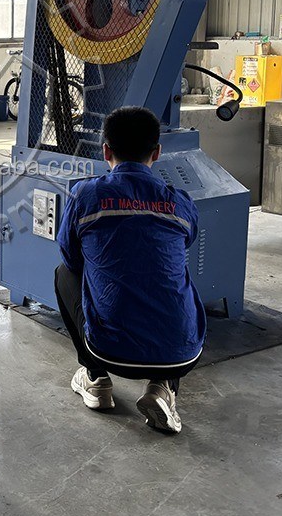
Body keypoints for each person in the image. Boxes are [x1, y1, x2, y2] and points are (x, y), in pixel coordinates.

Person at [54, 106, 205, 433]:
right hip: (182, 353)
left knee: (63, 274)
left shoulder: (87, 195)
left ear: (106, 150)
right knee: (169, 275)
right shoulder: (179, 201)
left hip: (110, 350)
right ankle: (163, 387)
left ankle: (96, 379)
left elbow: (69, 256)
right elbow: (188, 239)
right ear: (158, 152)